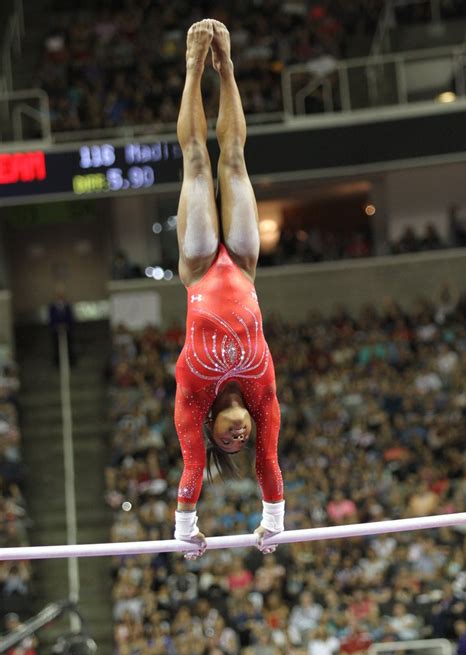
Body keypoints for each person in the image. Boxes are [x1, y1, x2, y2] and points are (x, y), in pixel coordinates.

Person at [172, 20, 285, 558]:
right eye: (241, 440)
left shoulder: (194, 394)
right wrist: (273, 521)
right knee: (234, 159)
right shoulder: (262, 396)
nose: (237, 439)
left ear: (212, 424)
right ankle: (230, 70)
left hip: (198, 270)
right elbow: (270, 462)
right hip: (241, 265)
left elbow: (193, 464)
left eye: (227, 439)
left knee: (198, 162)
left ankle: (195, 68)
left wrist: (184, 528)